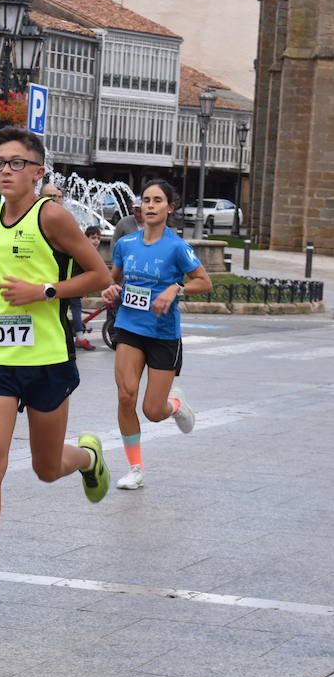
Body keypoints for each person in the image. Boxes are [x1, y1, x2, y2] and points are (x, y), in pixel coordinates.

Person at [0, 127, 113, 613]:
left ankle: (86, 457)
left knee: (45, 467)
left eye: (17, 163)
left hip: (46, 360)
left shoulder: (52, 216)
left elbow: (98, 275)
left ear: (39, 172)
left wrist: (47, 292)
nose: (6, 170)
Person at [103, 180, 211, 490]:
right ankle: (134, 468)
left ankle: (175, 405)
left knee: (153, 410)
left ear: (170, 208)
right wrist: (109, 289)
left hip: (163, 334)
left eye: (157, 201)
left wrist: (176, 288)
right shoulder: (126, 245)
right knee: (125, 396)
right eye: (146, 200)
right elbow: (112, 282)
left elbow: (204, 282)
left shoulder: (177, 247)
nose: (150, 206)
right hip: (129, 327)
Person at [69, 225, 103, 351]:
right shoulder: (83, 251)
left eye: (99, 239)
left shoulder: (87, 251)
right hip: (72, 285)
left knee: (74, 309)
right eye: (93, 238)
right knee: (76, 309)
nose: (97, 241)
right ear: (86, 238)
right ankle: (80, 338)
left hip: (77, 286)